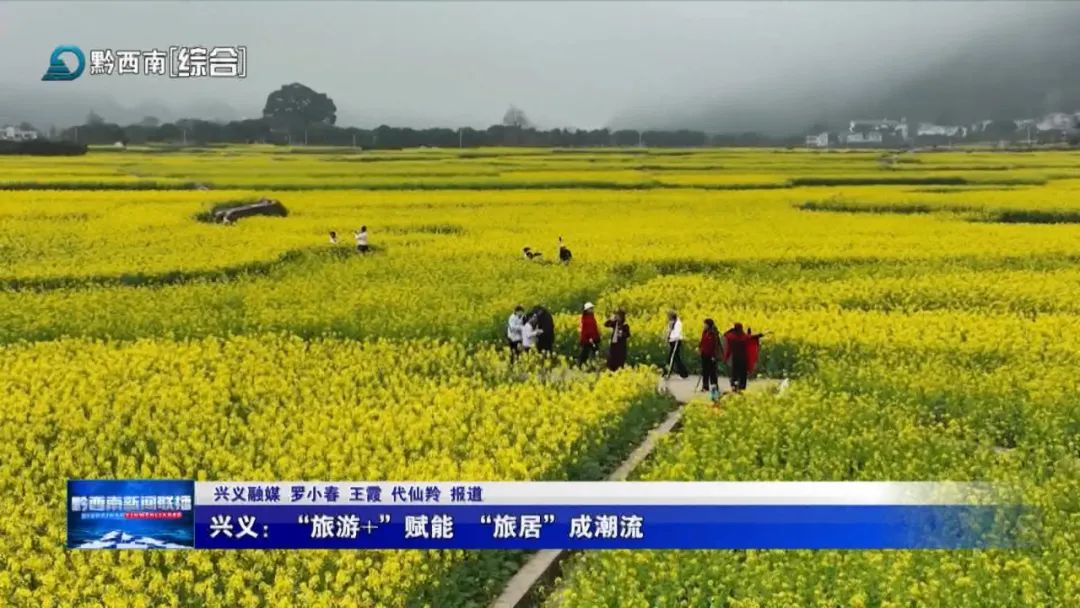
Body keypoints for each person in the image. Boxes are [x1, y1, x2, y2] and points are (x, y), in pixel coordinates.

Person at [722, 323, 765, 392]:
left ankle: (734, 386)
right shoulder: (744, 336)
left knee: (734, 373)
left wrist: (731, 330)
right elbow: (752, 337)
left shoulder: (731, 337)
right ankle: (742, 387)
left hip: (735, 358)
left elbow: (725, 335)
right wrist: (761, 334)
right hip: (743, 358)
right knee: (743, 374)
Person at [664, 310, 689, 379]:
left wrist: (671, 338)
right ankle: (684, 374)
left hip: (676, 342)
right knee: (676, 358)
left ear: (672, 316)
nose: (667, 317)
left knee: (671, 358)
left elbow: (677, 334)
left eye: (668, 316)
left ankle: (666, 373)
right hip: (672, 342)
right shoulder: (671, 323)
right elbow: (668, 331)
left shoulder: (678, 323)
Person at [699, 318, 720, 400]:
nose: (704, 326)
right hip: (704, 354)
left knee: (712, 372)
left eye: (705, 324)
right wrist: (700, 348)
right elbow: (702, 341)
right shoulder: (704, 332)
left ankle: (715, 388)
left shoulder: (713, 333)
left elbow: (715, 345)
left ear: (708, 325)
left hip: (711, 355)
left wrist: (714, 356)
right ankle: (705, 386)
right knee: (705, 371)